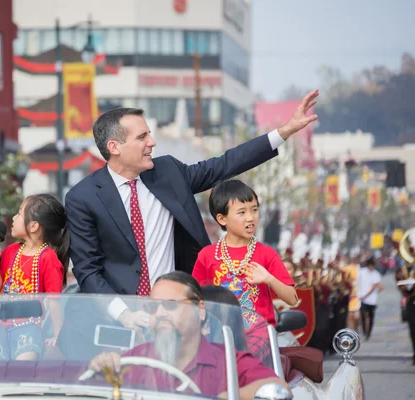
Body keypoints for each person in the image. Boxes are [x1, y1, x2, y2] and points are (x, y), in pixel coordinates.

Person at [66, 90, 318, 330]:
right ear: (114, 147)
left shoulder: (169, 173)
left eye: (149, 134)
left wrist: (283, 132)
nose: (152, 142)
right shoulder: (83, 198)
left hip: (178, 313)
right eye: (142, 137)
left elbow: (225, 164)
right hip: (120, 318)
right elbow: (87, 269)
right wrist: (125, 314)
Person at [87, 272, 287, 400]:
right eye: (153, 307)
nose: (160, 313)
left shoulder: (228, 361)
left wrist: (228, 397)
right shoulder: (134, 360)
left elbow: (278, 389)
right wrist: (102, 366)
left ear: (200, 310)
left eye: (171, 304)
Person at [192, 180, 297, 326]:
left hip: (259, 339)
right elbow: (194, 300)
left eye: (254, 209)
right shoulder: (207, 256)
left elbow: (292, 299)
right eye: (242, 212)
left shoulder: (266, 253)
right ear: (222, 219)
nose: (251, 217)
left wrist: (268, 279)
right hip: (220, 338)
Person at [0, 194, 68, 360]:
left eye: (19, 213)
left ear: (33, 225)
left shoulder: (47, 258)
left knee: (24, 364)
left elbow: (54, 301)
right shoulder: (11, 251)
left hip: (27, 325)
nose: (13, 218)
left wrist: (58, 336)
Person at [357, 256, 383, 340]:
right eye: (371, 266)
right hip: (362, 299)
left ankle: (368, 333)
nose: (372, 267)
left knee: (371, 316)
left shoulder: (376, 274)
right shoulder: (361, 272)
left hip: (371, 300)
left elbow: (376, 287)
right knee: (363, 316)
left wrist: (374, 294)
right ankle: (364, 331)